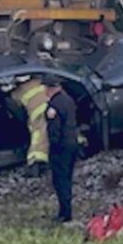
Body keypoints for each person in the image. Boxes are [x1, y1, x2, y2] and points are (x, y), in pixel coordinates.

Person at [43, 74, 79, 223]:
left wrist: (53, 146)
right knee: (68, 178)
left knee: (60, 180)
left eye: (46, 88)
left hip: (60, 147)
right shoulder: (68, 99)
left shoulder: (54, 105)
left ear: (51, 88)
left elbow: (54, 130)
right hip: (72, 144)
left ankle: (64, 214)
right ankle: (66, 210)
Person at [9, 76, 49, 177]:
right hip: (52, 109)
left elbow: (17, 112)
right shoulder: (39, 81)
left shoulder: (17, 93)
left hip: (38, 117)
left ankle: (34, 162)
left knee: (37, 138)